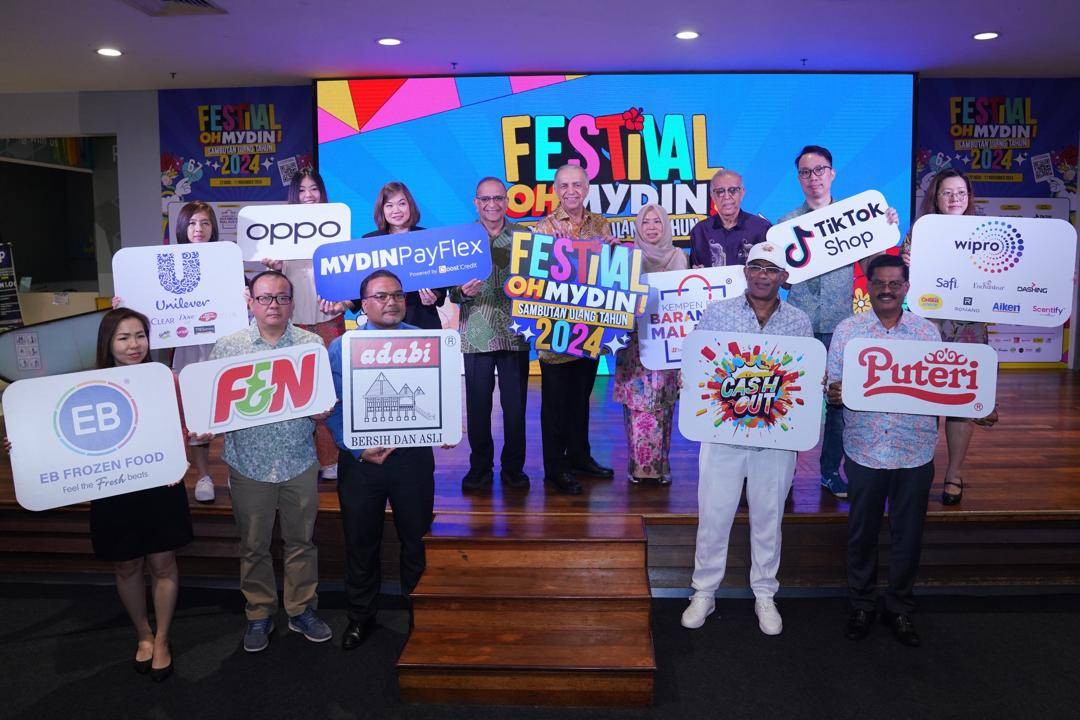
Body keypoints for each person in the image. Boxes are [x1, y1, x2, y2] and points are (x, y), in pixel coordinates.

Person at [3, 308, 209, 681]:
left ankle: (162, 638)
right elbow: (56, 432)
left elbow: (186, 425)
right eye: (124, 338)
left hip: (160, 484)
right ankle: (143, 635)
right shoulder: (84, 384)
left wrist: (189, 444)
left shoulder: (165, 379)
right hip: (112, 488)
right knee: (126, 564)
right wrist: (22, 442)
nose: (134, 345)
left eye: (140, 336)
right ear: (108, 344)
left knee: (163, 564)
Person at [680, 243, 813, 636]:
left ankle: (765, 593)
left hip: (776, 439)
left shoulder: (799, 321)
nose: (761, 275)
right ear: (745, 271)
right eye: (755, 267)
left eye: (771, 270)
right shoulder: (718, 313)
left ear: (784, 277)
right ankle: (703, 591)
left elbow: (802, 379)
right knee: (714, 516)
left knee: (769, 518)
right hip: (722, 434)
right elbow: (699, 366)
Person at [209, 270, 334, 653]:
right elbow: (213, 405)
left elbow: (324, 402)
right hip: (249, 464)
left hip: (298, 460)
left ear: (292, 302)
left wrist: (322, 412)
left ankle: (301, 610)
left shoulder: (312, 344)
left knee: (301, 542)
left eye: (281, 297)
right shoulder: (229, 347)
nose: (273, 305)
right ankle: (259, 613)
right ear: (250, 301)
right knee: (254, 546)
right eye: (265, 298)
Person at [826, 255, 939, 647]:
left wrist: (976, 405)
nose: (887, 290)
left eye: (895, 283)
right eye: (880, 283)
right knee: (862, 533)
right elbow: (834, 387)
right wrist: (834, 393)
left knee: (909, 535)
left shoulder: (927, 332)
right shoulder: (848, 330)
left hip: (915, 448)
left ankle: (900, 608)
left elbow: (943, 386)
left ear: (906, 287)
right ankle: (862, 604)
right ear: (868, 286)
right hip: (865, 449)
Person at [781, 145, 899, 500]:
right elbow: (783, 280)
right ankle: (784, 476)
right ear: (798, 178)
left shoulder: (858, 218)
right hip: (799, 324)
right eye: (805, 172)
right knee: (790, 400)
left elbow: (874, 269)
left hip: (843, 324)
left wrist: (885, 228)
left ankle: (831, 472)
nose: (813, 178)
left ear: (832, 174)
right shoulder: (786, 225)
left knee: (837, 402)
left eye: (820, 170)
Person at [327, 269, 436, 649]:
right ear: (365, 304)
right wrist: (355, 448)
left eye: (397, 295)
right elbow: (333, 406)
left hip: (413, 460)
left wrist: (445, 429)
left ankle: (418, 616)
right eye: (380, 296)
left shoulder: (427, 342)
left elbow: (439, 400)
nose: (390, 301)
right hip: (360, 462)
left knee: (415, 541)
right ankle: (360, 617)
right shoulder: (343, 346)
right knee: (360, 541)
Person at [901, 169, 999, 505]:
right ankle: (916, 469)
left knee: (961, 401)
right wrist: (906, 265)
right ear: (935, 197)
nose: (955, 198)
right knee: (922, 397)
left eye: (961, 192)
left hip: (969, 328)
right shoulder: (921, 232)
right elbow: (902, 279)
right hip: (927, 325)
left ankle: (954, 472)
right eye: (947, 193)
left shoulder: (989, 232)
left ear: (970, 197)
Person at [260, 169, 347, 482]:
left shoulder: (337, 225)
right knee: (296, 387)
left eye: (314, 189)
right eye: (302, 190)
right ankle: (299, 456)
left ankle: (330, 457)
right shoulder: (281, 229)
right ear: (294, 196)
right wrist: (274, 264)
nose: (308, 195)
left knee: (330, 387)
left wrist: (345, 302)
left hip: (329, 318)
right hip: (295, 320)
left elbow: (349, 272)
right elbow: (277, 277)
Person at [534, 164, 614, 494]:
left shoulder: (600, 224)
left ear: (587, 188)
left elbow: (609, 275)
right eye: (564, 185)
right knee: (555, 404)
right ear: (555, 189)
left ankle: (580, 457)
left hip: (590, 329)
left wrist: (614, 251)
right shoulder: (543, 227)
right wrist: (552, 252)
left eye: (577, 184)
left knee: (582, 399)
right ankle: (556, 467)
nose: (571, 190)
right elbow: (534, 280)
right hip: (555, 332)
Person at [450, 177, 531, 492]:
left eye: (498, 198)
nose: (492, 204)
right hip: (476, 335)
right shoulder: (462, 239)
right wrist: (462, 291)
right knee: (478, 407)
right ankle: (480, 468)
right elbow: (452, 293)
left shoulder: (524, 237)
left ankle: (514, 469)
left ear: (507, 200)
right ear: (476, 202)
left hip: (515, 334)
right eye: (485, 199)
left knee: (515, 409)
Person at [613, 204, 687, 485]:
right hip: (635, 343)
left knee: (662, 404)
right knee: (636, 405)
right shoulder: (627, 256)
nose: (652, 227)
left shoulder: (679, 255)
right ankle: (638, 467)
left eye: (658, 221)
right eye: (646, 222)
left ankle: (659, 467)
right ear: (638, 228)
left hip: (667, 343)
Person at [170, 200, 221, 503]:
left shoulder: (226, 259)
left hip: (221, 345)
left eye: (204, 223)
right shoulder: (167, 260)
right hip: (188, 347)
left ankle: (240, 473)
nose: (198, 229)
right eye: (192, 223)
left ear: (213, 228)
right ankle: (204, 476)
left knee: (230, 409)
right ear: (182, 227)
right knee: (196, 412)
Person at [356, 181, 446, 330]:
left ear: (410, 206)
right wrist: (345, 303)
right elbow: (363, 285)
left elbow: (441, 283)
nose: (396, 210)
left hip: (423, 320)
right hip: (382, 322)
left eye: (402, 204)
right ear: (382, 210)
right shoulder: (370, 242)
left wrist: (434, 295)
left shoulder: (428, 237)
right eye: (389, 205)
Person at [688, 169, 771, 267]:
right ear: (712, 195)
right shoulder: (700, 231)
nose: (727, 196)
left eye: (733, 190)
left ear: (742, 193)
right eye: (720, 191)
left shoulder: (762, 228)